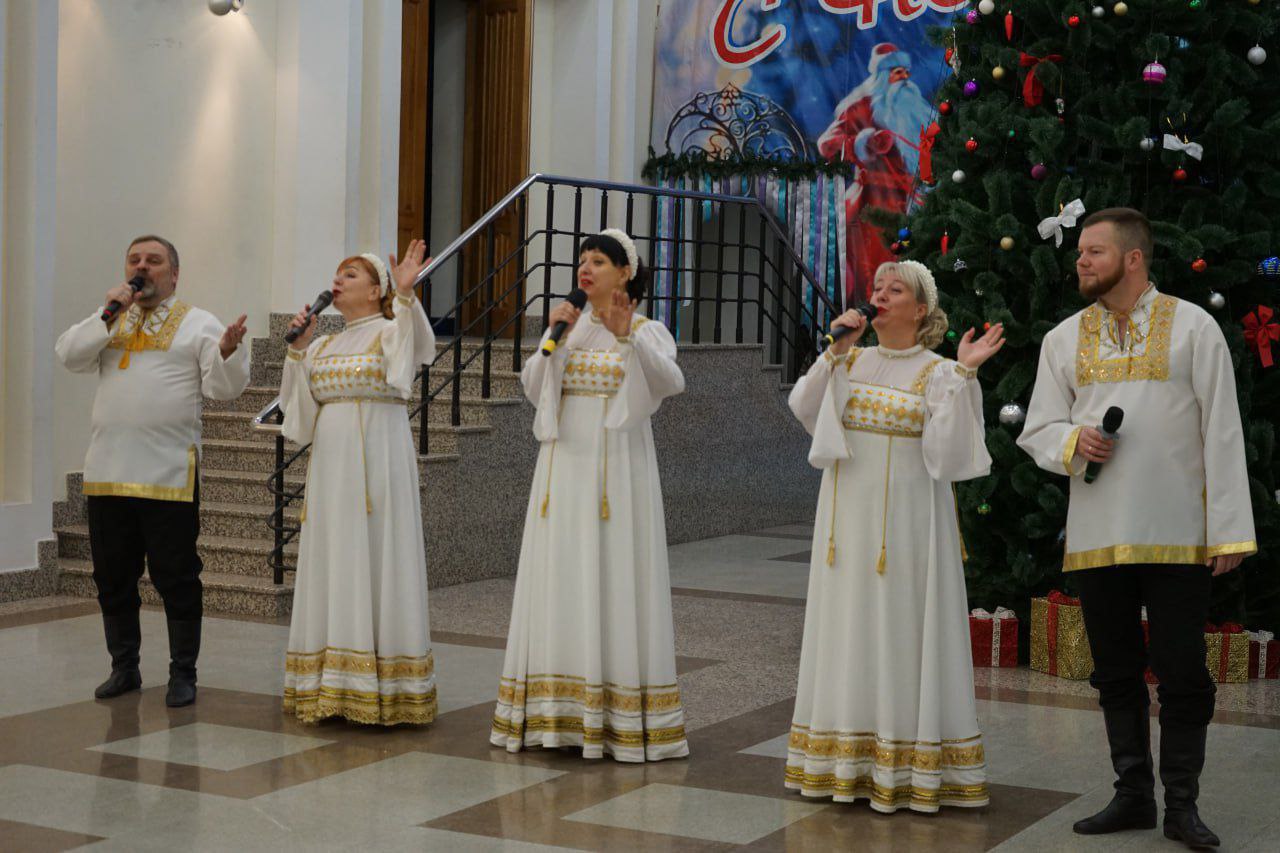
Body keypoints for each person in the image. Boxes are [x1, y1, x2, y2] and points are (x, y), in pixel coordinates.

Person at [1018, 208, 1255, 850]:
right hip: (1098, 533)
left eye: (1094, 251)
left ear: (1133, 258)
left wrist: (1228, 530)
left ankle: (1182, 806)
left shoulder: (1194, 326)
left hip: (1179, 533)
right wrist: (1074, 440)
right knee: (1115, 671)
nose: (1081, 260)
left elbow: (1222, 429)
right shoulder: (1063, 338)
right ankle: (1132, 796)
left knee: (1182, 671)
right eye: (1080, 251)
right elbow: (1038, 428)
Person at [785, 259, 1004, 812]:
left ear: (921, 309)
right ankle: (841, 758)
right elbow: (804, 408)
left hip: (908, 530)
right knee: (847, 626)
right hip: (844, 531)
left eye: (895, 289)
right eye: (876, 287)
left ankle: (905, 763)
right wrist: (834, 352)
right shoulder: (850, 358)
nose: (880, 295)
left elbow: (950, 457)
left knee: (902, 630)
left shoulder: (938, 372)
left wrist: (966, 375)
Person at [490, 229, 689, 762]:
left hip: (616, 470)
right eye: (582, 259)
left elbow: (670, 382)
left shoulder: (648, 329)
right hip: (562, 470)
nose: (586, 267)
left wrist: (627, 339)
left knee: (612, 570)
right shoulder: (569, 327)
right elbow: (533, 386)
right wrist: (553, 339)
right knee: (561, 570)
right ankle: (556, 710)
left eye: (599, 260)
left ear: (625, 272)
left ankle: (615, 712)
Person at [55, 235, 250, 707]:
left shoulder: (199, 323)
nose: (142, 266)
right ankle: (124, 667)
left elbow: (224, 390)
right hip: (107, 472)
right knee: (112, 576)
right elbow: (69, 355)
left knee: (176, 576)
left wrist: (227, 351)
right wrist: (108, 315)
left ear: (174, 274)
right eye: (134, 259)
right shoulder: (110, 316)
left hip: (168, 474)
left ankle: (183, 672)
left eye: (154, 260)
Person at [278, 241, 437, 726]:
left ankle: (387, 685)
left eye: (350, 274)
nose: (338, 280)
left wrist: (406, 296)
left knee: (377, 554)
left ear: (374, 291)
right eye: (337, 273)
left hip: (378, 466)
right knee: (336, 558)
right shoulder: (323, 345)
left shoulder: (391, 331)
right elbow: (299, 419)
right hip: (331, 471)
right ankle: (331, 681)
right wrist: (297, 351)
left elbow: (416, 351)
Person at [818, 43, 935, 304]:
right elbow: (828, 145)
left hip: (913, 203)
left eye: (906, 72)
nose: (904, 79)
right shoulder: (861, 108)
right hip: (873, 204)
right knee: (877, 275)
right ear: (882, 76)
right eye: (896, 72)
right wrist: (864, 142)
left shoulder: (917, 109)